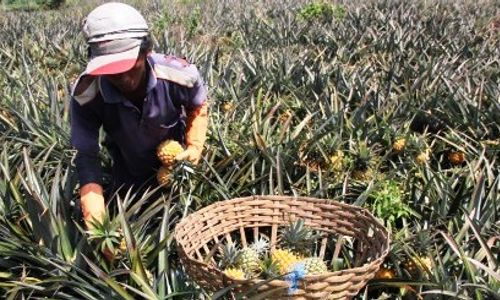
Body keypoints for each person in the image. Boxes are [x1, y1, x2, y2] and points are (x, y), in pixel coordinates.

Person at [70, 2, 209, 229]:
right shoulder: (87, 94)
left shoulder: (178, 74)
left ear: (147, 50)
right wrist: (95, 219)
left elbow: (198, 106)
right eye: (112, 69)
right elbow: (86, 157)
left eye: (128, 65)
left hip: (177, 166)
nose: (122, 76)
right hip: (128, 171)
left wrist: (194, 147)